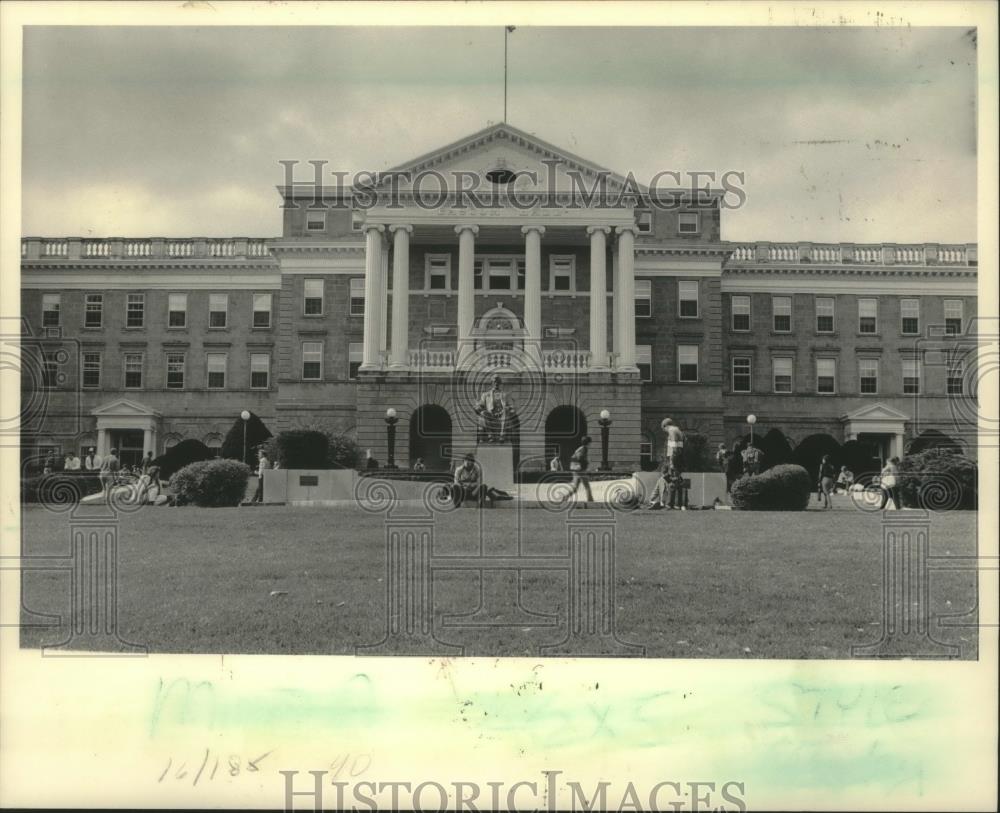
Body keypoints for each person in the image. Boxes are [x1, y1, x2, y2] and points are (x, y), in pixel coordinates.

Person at [475, 374, 512, 443]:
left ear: (500, 383)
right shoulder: (486, 395)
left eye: (498, 381)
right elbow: (481, 404)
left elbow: (511, 406)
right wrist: (478, 407)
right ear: (492, 383)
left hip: (502, 416)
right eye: (494, 381)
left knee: (506, 411)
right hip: (490, 415)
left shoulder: (505, 395)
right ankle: (490, 436)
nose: (496, 383)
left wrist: (507, 409)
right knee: (483, 413)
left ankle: (502, 435)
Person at [568, 436, 594, 506]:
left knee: (575, 488)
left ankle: (564, 497)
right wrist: (587, 463)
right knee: (587, 486)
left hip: (575, 469)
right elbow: (580, 458)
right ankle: (590, 501)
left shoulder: (580, 448)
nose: (591, 444)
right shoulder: (584, 449)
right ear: (588, 443)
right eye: (591, 442)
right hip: (580, 470)